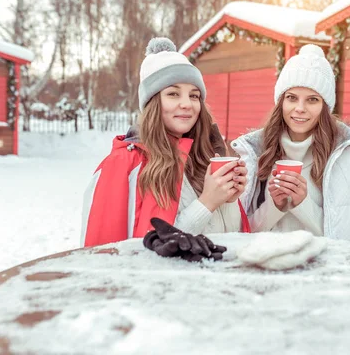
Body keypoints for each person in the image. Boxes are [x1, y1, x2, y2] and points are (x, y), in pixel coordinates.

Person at [81, 37, 249, 247]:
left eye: (194, 96)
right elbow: (140, 252)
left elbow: (230, 238)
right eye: (173, 94)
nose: (187, 104)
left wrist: (228, 200)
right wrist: (207, 202)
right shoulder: (124, 165)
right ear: (152, 102)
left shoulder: (205, 156)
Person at [230, 44, 350, 247]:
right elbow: (240, 233)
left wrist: (302, 204)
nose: (300, 109)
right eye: (292, 98)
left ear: (324, 107)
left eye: (312, 100)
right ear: (281, 102)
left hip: (325, 274)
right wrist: (276, 206)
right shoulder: (257, 155)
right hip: (269, 271)